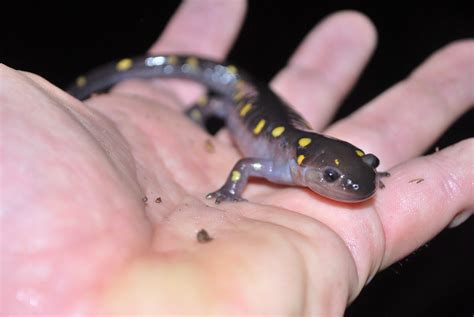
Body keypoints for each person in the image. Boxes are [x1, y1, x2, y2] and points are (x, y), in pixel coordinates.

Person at [1, 0, 472, 314]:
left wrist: (367, 169)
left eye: (365, 164)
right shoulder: (282, 165)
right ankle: (193, 99)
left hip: (264, 106)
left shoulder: (308, 161)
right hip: (238, 94)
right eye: (331, 175)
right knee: (223, 99)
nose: (348, 181)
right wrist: (230, 190)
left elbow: (335, 164)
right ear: (306, 167)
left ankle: (210, 102)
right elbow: (245, 165)